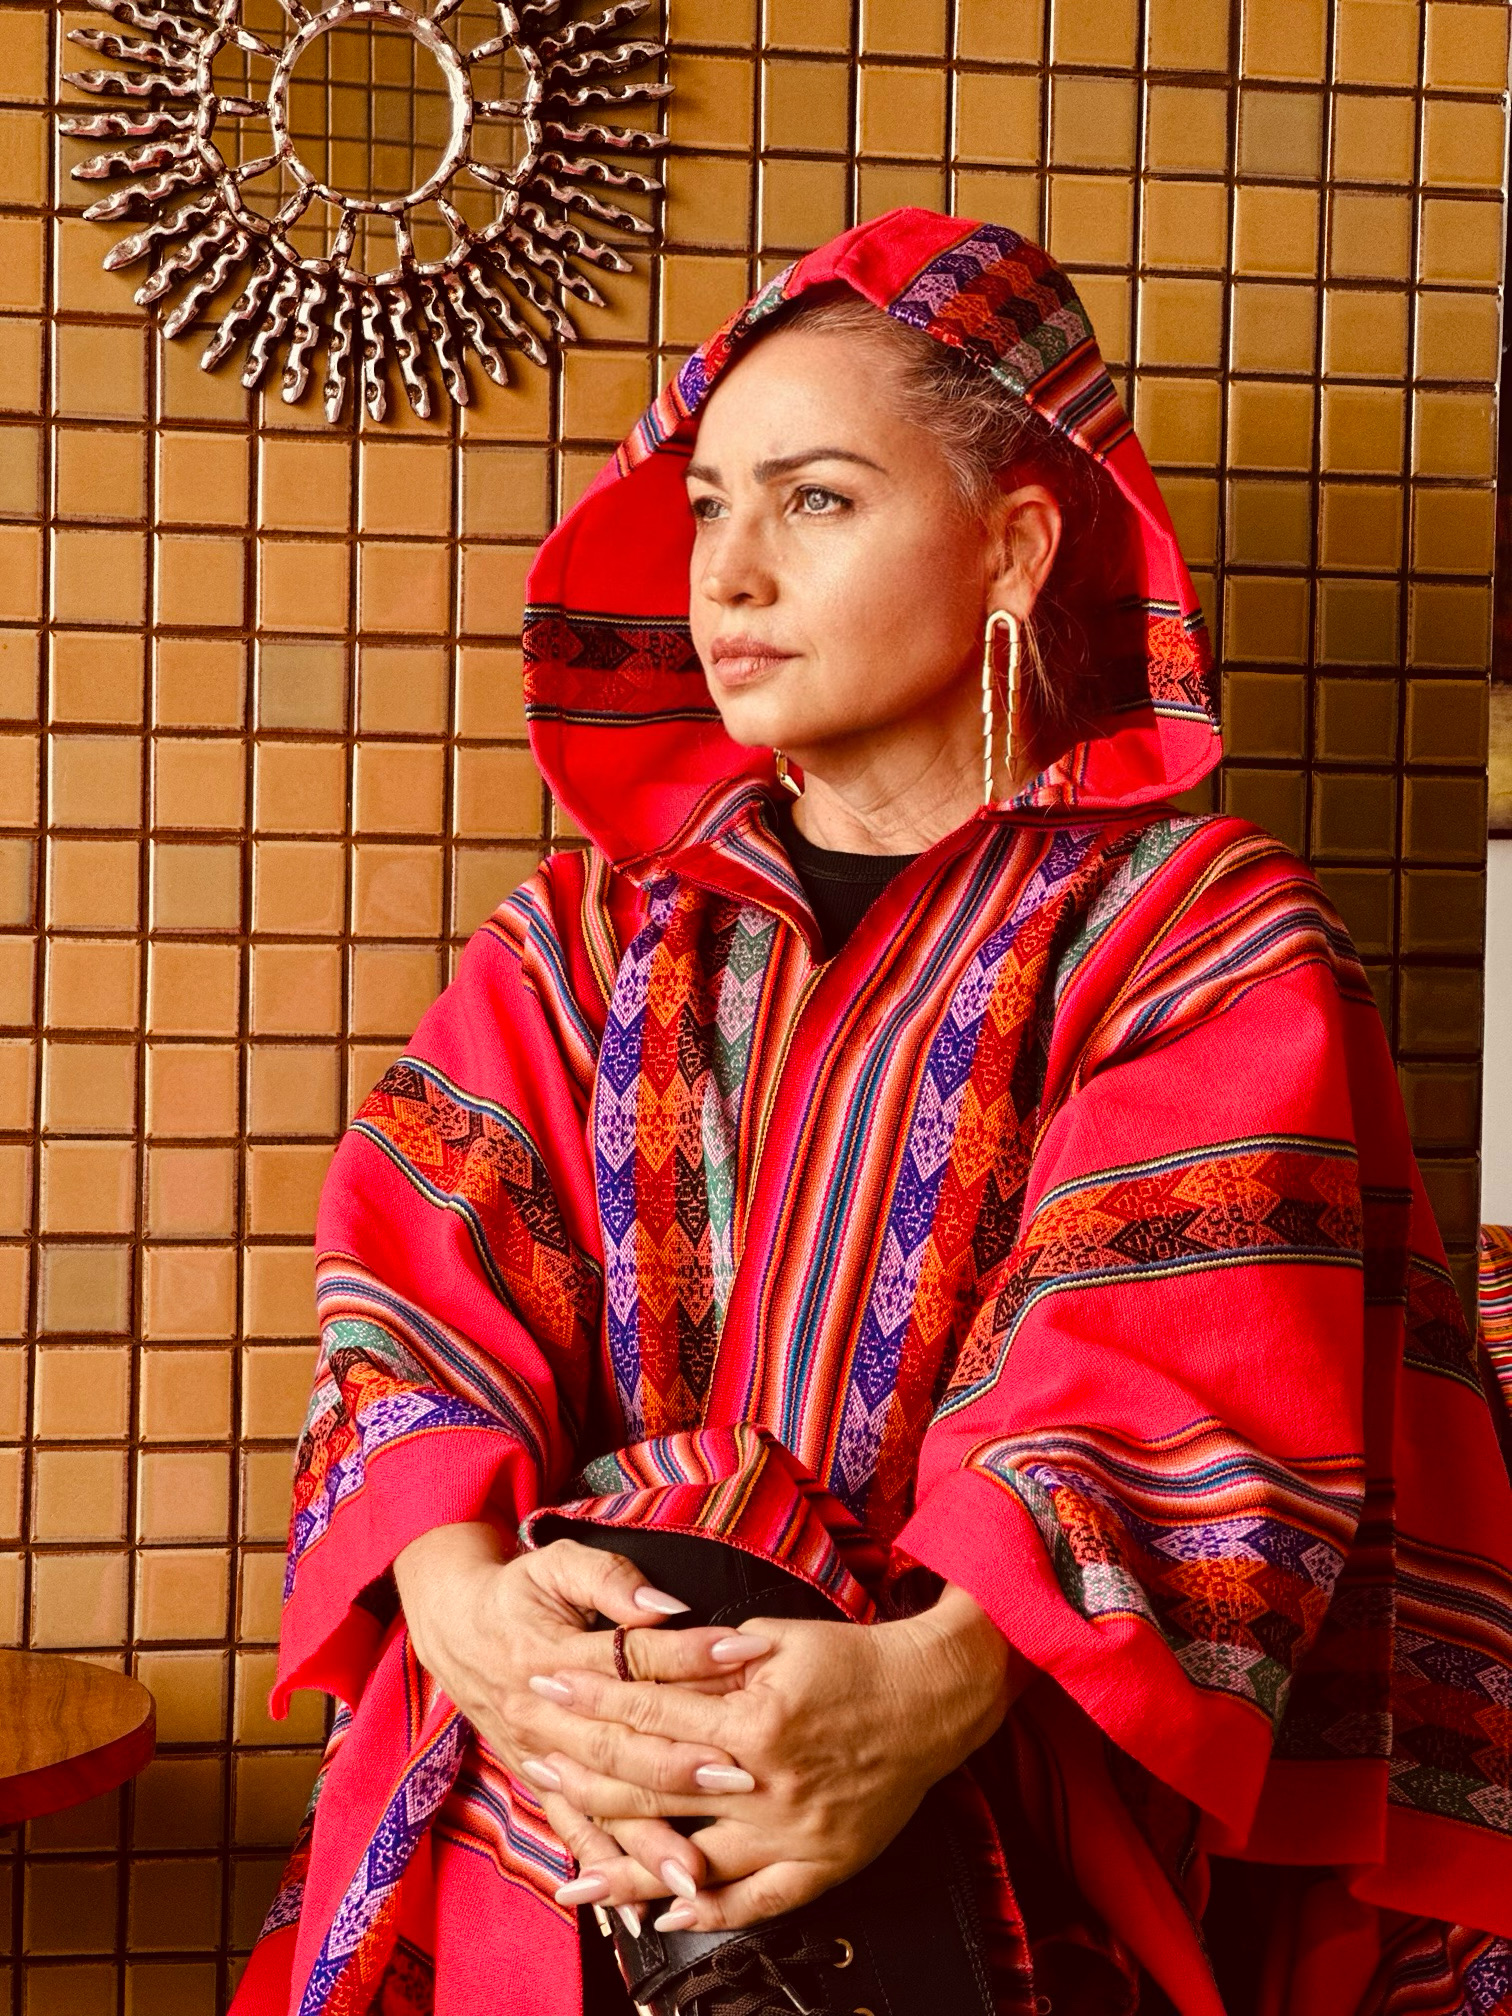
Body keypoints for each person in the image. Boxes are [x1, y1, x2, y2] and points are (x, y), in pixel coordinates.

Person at [230, 209, 1512, 2016]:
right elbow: (411, 1292)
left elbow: (1184, 1378)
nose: (730, 575)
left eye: (815, 501)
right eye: (707, 510)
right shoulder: (588, 934)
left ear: (1014, 548)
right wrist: (465, 1610)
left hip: (1003, 1779)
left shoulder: (1198, 939)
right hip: (560, 1778)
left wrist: (920, 1689)